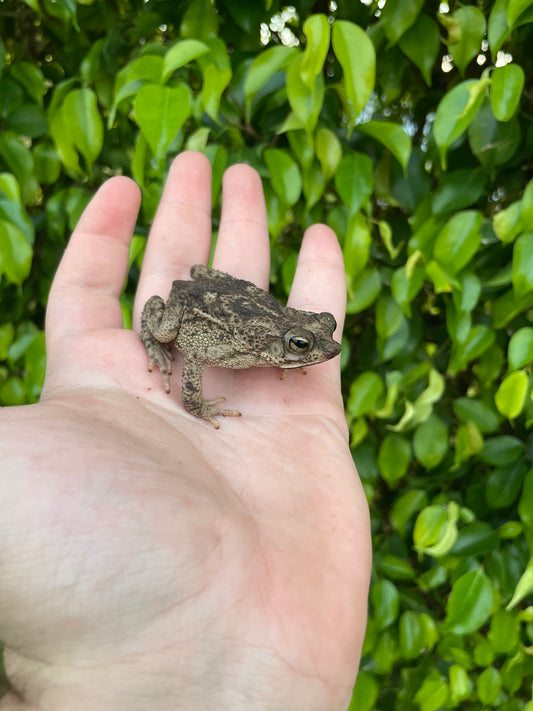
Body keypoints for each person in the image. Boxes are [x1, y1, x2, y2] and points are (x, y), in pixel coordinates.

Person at [0, 152, 371, 711]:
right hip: (195, 309)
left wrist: (285, 346)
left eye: (316, 338)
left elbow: (267, 329)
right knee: (169, 324)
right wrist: (191, 401)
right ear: (278, 347)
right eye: (304, 346)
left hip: (239, 304)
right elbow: (193, 351)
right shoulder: (239, 347)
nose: (320, 350)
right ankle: (158, 338)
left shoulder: (266, 346)